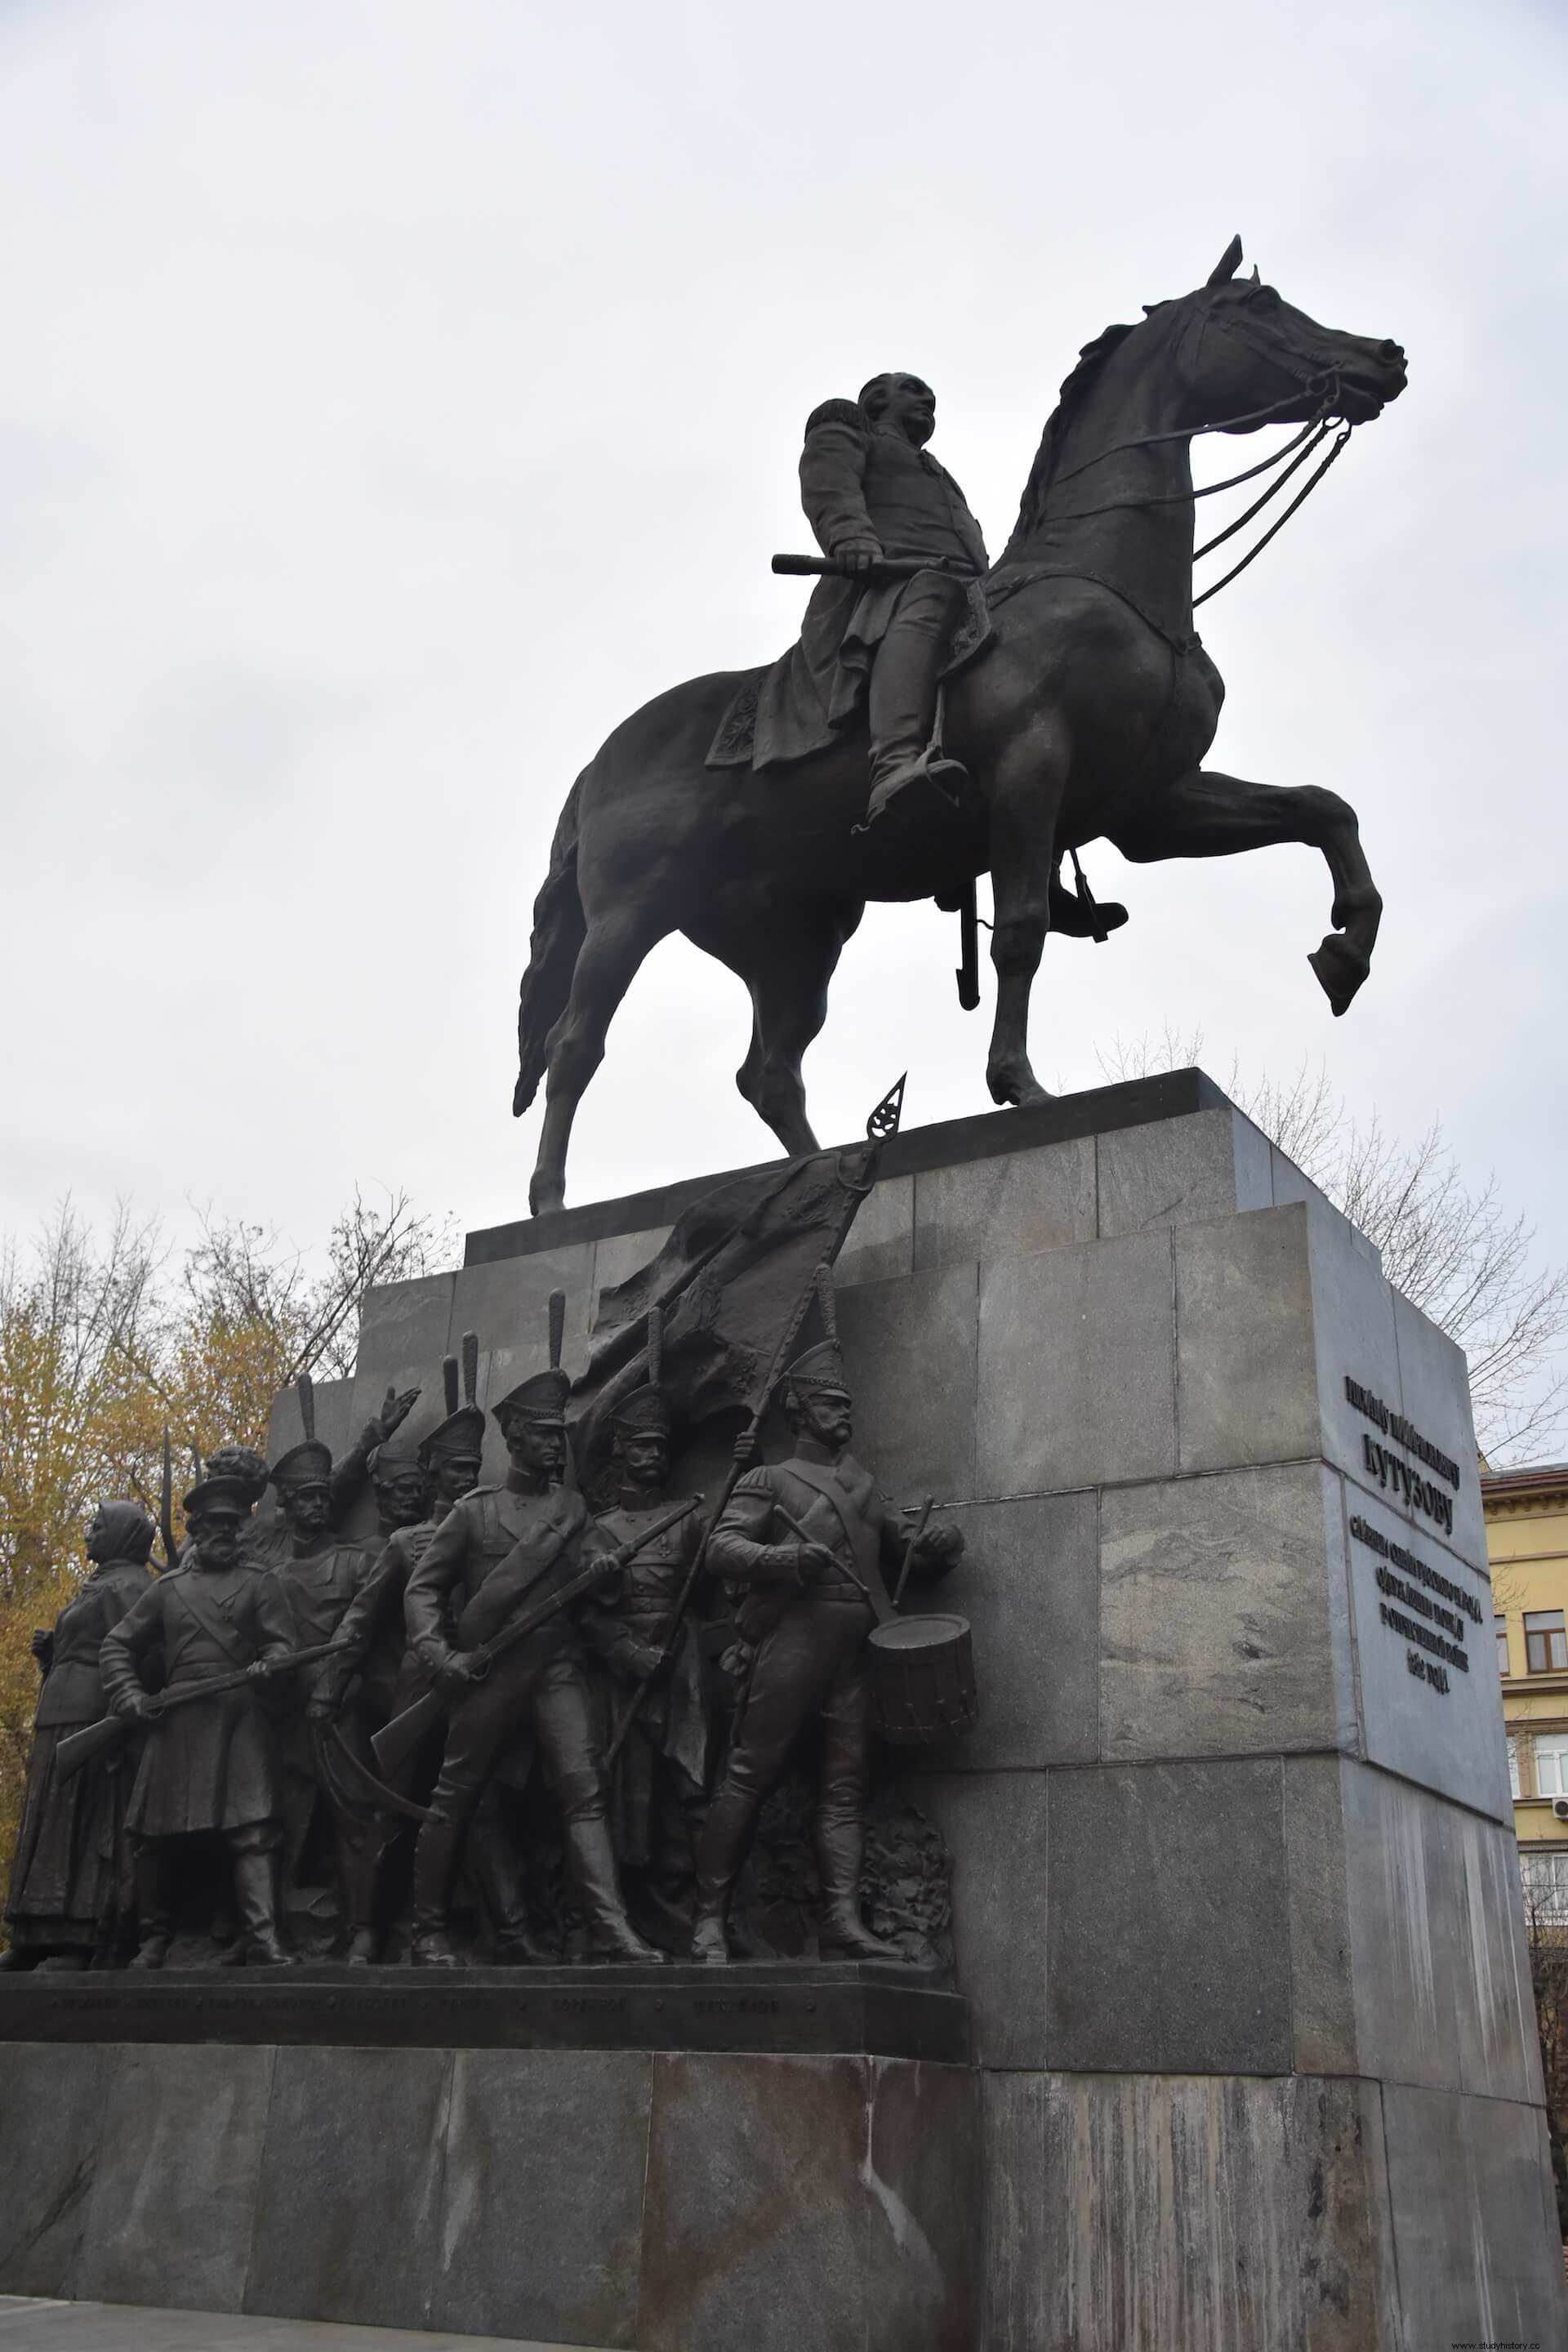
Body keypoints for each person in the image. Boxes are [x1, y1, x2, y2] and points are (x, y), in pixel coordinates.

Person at [690, 1334, 962, 1964]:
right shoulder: (769, 1479)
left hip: (857, 1646)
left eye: (847, 1405)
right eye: (833, 1404)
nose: (846, 1413)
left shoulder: (862, 1483)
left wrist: (937, 1543)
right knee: (750, 1775)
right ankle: (707, 1919)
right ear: (801, 1408)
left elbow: (901, 1539)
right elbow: (720, 1549)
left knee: (846, 1788)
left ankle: (841, 1920)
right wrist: (784, 1559)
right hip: (792, 1638)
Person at [403, 1328, 662, 1968]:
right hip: (488, 1669)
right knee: (455, 1796)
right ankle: (427, 1930)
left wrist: (606, 1575)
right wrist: (441, 1657)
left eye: (559, 1432)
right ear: (515, 1435)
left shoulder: (573, 1510)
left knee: (585, 1791)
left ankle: (610, 1928)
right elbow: (423, 1592)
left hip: (557, 1665)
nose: (557, 1443)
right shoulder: (473, 1514)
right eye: (546, 1433)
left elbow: (605, 1585)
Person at [309, 1343, 511, 1962]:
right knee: (392, 1811)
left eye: (471, 1468)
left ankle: (486, 1929)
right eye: (453, 1471)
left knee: (481, 1811)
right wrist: (326, 1688)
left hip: (481, 1686)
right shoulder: (408, 1542)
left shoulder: (495, 1529)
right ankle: (366, 1929)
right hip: (417, 1691)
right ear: (431, 1478)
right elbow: (358, 1623)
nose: (466, 1478)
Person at [100, 1468, 297, 1969]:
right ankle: (154, 1940)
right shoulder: (166, 1590)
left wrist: (270, 1664)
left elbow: (282, 1643)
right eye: (213, 1526)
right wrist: (129, 1696)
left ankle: (263, 1937)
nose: (223, 1534)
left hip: (239, 1717)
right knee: (154, 1838)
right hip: (179, 1719)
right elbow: (118, 1645)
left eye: (231, 1526)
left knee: (252, 1830)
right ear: (196, 1530)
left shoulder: (261, 1584)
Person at [796, 372, 988, 827]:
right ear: (878, 400)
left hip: (969, 586)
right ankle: (894, 765)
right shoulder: (853, 434)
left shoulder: (936, 470)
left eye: (932, 400)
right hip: (892, 584)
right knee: (930, 596)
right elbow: (830, 485)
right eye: (915, 392)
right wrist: (851, 539)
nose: (928, 403)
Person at [580, 1351, 710, 1951]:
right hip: (622, 1676)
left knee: (681, 1791)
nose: (654, 1457)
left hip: (679, 1673)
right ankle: (618, 1918)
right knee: (625, 1799)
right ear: (620, 1451)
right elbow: (586, 1616)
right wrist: (630, 1654)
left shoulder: (687, 1521)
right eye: (642, 1447)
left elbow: (714, 1594)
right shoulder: (598, 1530)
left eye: (661, 1448)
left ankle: (683, 1904)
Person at [249, 1385, 378, 1957]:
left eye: (324, 1496)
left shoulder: (356, 1563)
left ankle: (363, 1931)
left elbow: (363, 1634)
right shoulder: (270, 1578)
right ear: (287, 1508)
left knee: (354, 1822)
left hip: (340, 1714)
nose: (319, 1504)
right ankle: (269, 1935)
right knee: (283, 1827)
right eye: (306, 1498)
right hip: (286, 1721)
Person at [1, 1503, 156, 1971]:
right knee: (47, 1827)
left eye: (97, 1526)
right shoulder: (102, 1582)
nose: (87, 1533)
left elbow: (140, 1655)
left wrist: (118, 1720)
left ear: (124, 1536)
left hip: (91, 1717)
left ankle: (77, 1940)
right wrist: (53, 1653)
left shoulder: (130, 1585)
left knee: (82, 1830)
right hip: (60, 1715)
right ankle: (33, 1935)